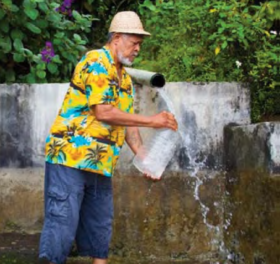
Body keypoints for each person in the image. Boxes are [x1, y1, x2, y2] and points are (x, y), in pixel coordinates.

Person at [38, 11, 178, 264]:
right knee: (61, 223)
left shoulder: (124, 78)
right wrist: (152, 121)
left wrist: (147, 161)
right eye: (134, 42)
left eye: (139, 44)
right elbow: (103, 111)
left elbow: (127, 125)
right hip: (69, 157)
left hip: (100, 163)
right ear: (116, 38)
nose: (137, 49)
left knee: (100, 228)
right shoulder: (96, 61)